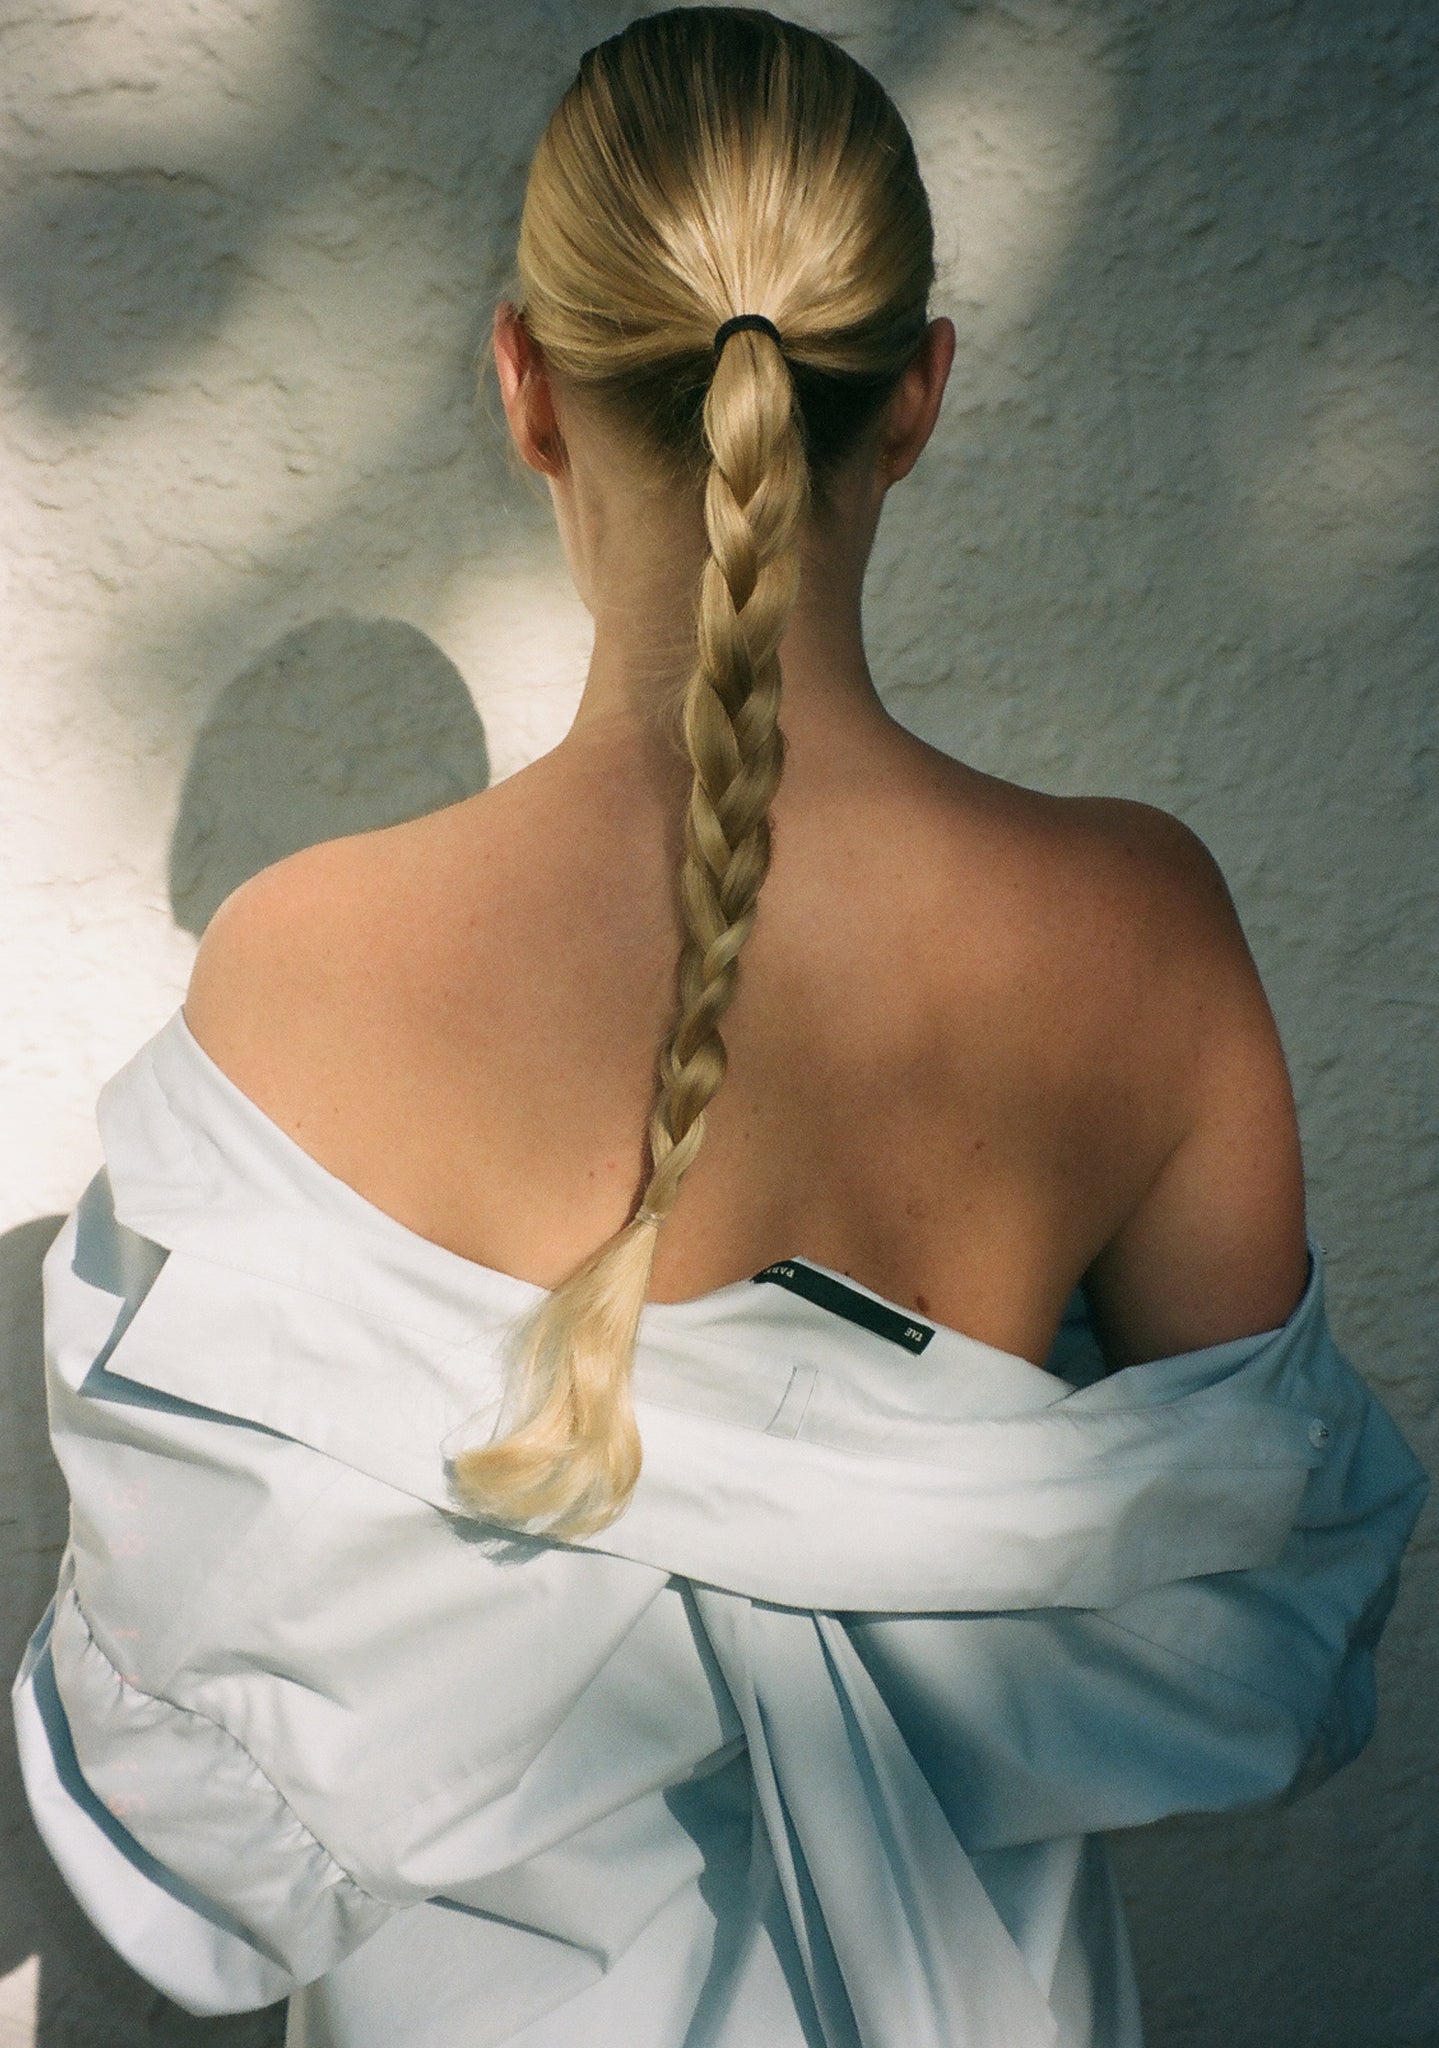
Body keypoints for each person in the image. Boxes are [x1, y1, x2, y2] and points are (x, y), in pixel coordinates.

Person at [12, 11, 1427, 2047]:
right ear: (918, 391)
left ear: (523, 383)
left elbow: (187, 1743)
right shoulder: (1144, 938)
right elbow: (1257, 1598)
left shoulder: (295, 966)